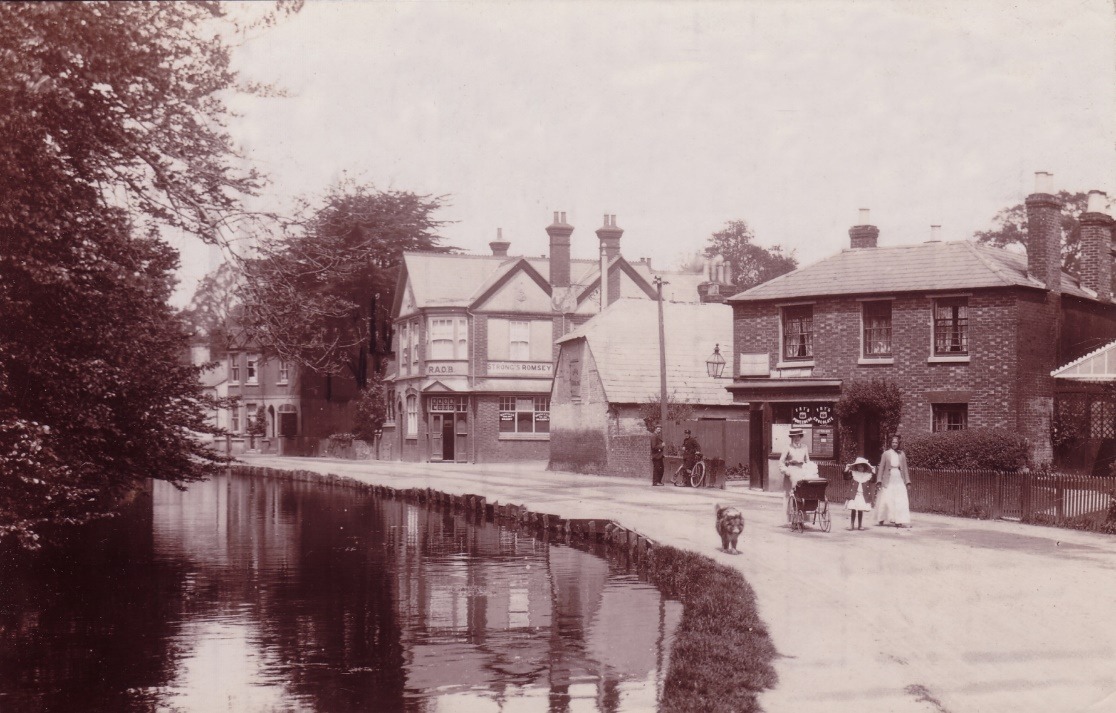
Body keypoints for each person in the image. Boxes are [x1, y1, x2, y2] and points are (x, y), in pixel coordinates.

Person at [876, 434, 912, 527]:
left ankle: (898, 520)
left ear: (898, 443)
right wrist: (879, 480)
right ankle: (881, 518)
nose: (894, 444)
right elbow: (881, 468)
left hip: (899, 478)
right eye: (893, 442)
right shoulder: (886, 454)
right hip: (889, 478)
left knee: (900, 498)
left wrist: (907, 481)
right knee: (887, 498)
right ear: (890, 443)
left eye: (896, 442)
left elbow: (905, 468)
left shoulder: (902, 454)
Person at [780, 428, 811, 509]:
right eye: (795, 437)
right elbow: (781, 461)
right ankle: (788, 516)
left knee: (803, 491)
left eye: (798, 437)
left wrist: (810, 469)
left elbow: (807, 460)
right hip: (791, 470)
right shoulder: (788, 447)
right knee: (790, 493)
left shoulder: (804, 447)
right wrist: (785, 470)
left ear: (801, 437)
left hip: (802, 470)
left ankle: (802, 514)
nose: (797, 439)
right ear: (792, 438)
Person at [843, 456, 876, 530]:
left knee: (860, 509)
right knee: (853, 509)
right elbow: (846, 478)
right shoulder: (854, 473)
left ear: (864, 467)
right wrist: (846, 469)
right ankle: (851, 524)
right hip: (855, 494)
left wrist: (873, 471)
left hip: (862, 495)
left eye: (861, 467)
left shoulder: (867, 475)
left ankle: (860, 525)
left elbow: (873, 480)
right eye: (858, 467)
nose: (859, 468)